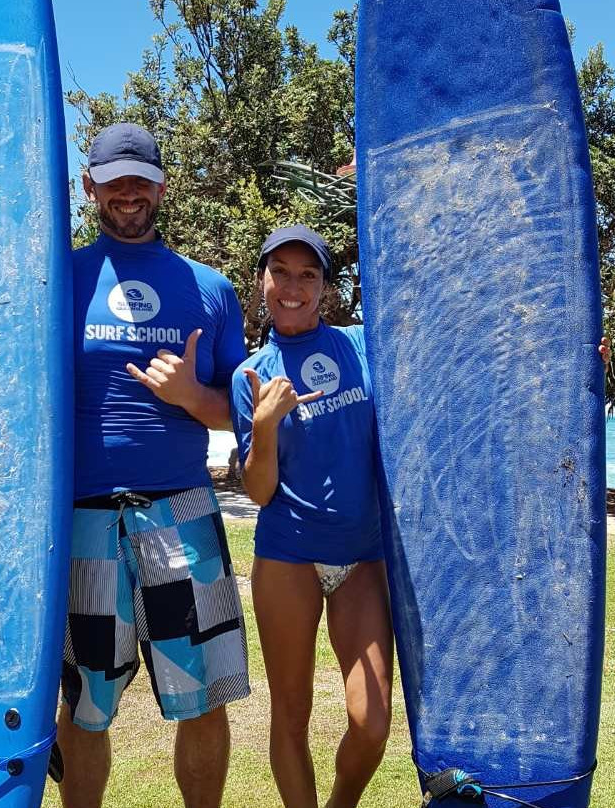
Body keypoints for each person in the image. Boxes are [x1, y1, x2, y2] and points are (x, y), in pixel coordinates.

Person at [58, 122, 250, 808]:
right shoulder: (61, 278)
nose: (128, 194)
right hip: (85, 519)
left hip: (183, 513)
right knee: (85, 708)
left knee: (201, 700)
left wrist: (193, 396)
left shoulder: (210, 288)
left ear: (162, 185)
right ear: (90, 188)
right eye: (114, 183)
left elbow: (244, 408)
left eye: (140, 179)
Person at [230, 226, 392, 808]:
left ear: (325, 286)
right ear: (262, 281)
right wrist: (264, 426)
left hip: (361, 554)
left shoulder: (363, 346)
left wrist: (573, 349)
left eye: (308, 274)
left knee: (373, 723)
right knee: (290, 715)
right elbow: (257, 489)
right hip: (287, 557)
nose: (293, 287)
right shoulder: (251, 374)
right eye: (281, 272)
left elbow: (456, 351)